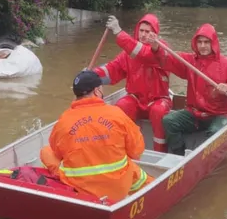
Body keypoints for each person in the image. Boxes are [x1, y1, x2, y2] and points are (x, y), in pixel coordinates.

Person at [39, 70, 154, 202]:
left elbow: (58, 152)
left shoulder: (64, 120)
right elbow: (137, 151)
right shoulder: (116, 114)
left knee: (46, 151)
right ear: (96, 91)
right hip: (118, 189)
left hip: (80, 189)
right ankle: (152, 191)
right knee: (130, 165)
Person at [152, 23, 227, 155]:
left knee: (215, 133)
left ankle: (207, 157)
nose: (203, 46)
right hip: (194, 113)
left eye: (206, 42)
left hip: (219, 114)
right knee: (168, 121)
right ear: (195, 43)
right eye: (199, 42)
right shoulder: (190, 61)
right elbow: (169, 58)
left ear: (213, 43)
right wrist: (156, 47)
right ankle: (179, 155)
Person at [93, 14, 173, 152]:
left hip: (158, 100)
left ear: (155, 33)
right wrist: (92, 75)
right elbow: (113, 70)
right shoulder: (129, 52)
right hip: (136, 99)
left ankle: (160, 152)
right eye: (141, 31)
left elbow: (143, 54)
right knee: (120, 107)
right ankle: (119, 150)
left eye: (147, 31)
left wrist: (118, 32)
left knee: (158, 111)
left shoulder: (161, 49)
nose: (143, 34)